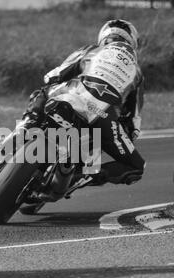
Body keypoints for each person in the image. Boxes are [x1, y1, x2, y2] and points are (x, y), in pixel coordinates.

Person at [20, 19, 146, 186]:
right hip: (102, 115)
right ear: (132, 42)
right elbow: (133, 122)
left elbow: (53, 76)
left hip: (72, 95)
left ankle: (28, 123)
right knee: (136, 167)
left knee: (42, 92)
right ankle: (82, 175)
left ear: (103, 37)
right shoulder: (137, 73)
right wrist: (121, 132)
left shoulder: (91, 50)